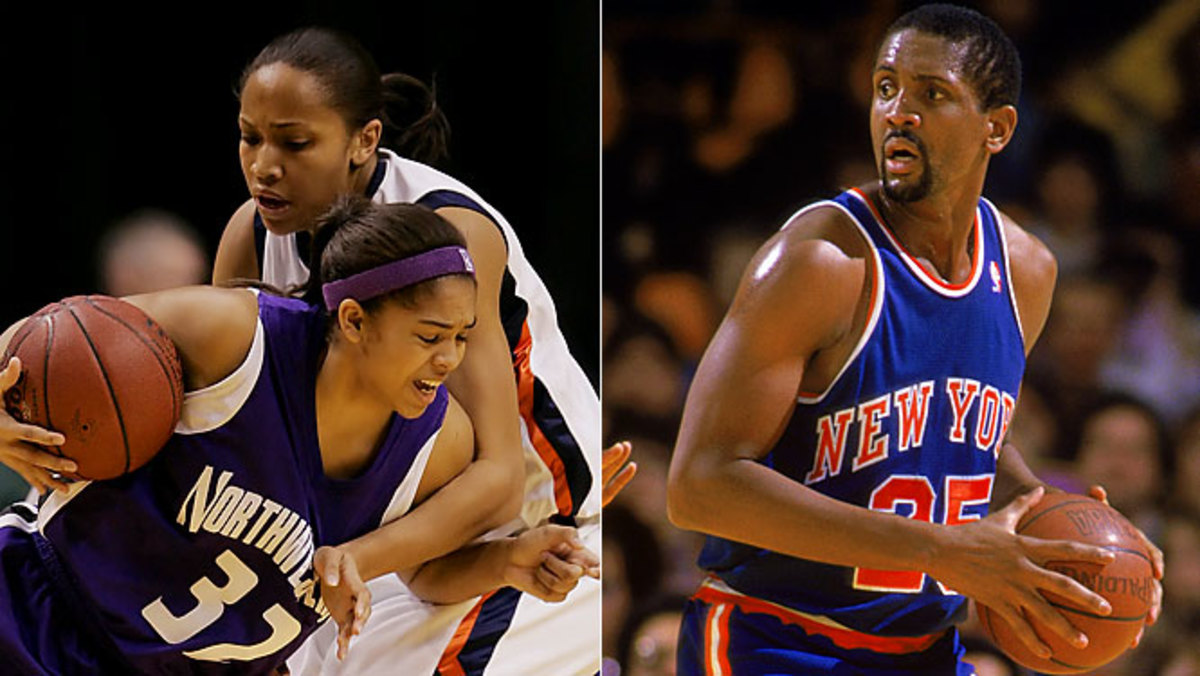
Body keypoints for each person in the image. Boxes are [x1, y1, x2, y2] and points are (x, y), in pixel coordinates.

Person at [665, 5, 1164, 675]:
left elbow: (966, 441)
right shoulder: (819, 263)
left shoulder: (1026, 272)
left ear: (998, 128)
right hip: (777, 639)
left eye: (932, 94)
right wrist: (941, 551)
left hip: (923, 650)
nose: (898, 111)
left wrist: (1047, 515)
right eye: (885, 87)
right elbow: (699, 485)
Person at [0, 198, 595, 674]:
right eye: (429, 336)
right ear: (355, 320)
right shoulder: (236, 335)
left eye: (462, 337)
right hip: (40, 612)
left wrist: (507, 562)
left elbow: (423, 574)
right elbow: (55, 335)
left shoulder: (440, 446)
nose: (448, 361)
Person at [212, 28, 615, 675]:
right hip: (398, 540)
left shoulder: (447, 237)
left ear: (365, 141)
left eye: (294, 142)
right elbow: (226, 429)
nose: (263, 165)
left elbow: (497, 483)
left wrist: (348, 560)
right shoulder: (250, 235)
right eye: (248, 136)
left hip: (543, 526)